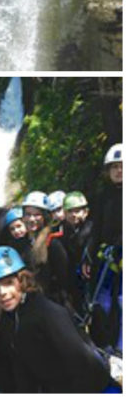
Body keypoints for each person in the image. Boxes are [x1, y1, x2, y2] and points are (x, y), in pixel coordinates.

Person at [0, 246, 116, 392]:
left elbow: (85, 364)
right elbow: (22, 372)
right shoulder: (11, 320)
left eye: (8, 283)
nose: (3, 293)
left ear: (22, 280)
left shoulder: (46, 313)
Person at [89, 143, 122, 353]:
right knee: (103, 302)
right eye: (114, 167)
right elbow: (96, 229)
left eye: (123, 166)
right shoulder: (103, 197)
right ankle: (105, 343)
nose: (119, 171)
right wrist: (89, 258)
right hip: (108, 259)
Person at [21, 191, 69, 306]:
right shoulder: (23, 243)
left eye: (37, 214)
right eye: (28, 214)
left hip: (53, 302)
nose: (32, 219)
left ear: (45, 217)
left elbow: (65, 278)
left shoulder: (52, 243)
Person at [61, 191, 94, 318]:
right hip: (71, 278)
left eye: (78, 211)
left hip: (88, 276)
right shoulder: (62, 232)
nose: (74, 215)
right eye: (70, 211)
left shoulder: (92, 229)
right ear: (65, 213)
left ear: (86, 212)